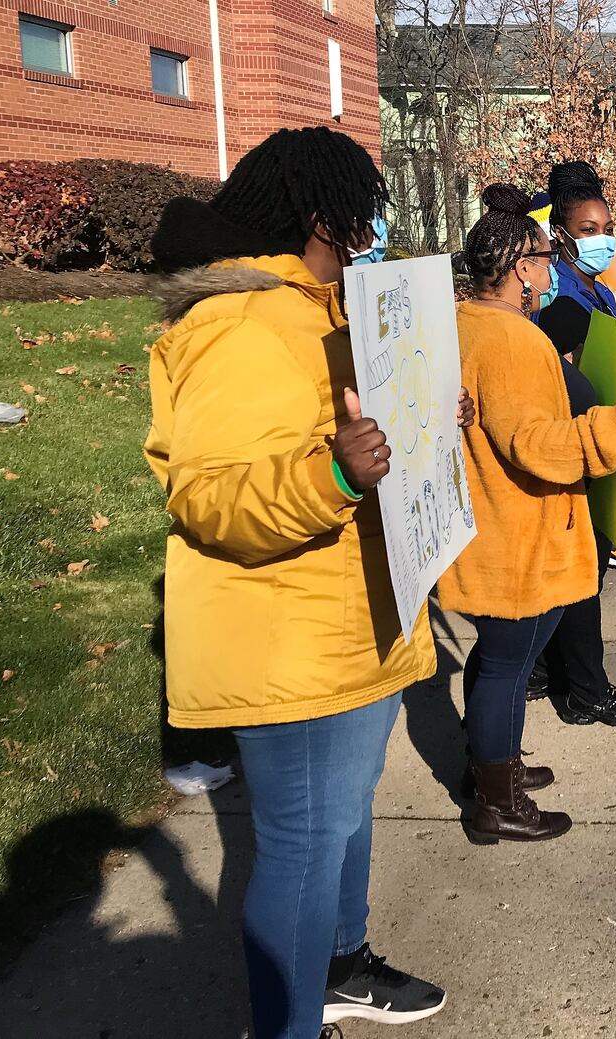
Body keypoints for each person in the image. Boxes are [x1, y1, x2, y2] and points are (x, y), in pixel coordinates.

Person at [146, 127, 463, 1039]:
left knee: (339, 826)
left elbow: (361, 425)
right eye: (360, 203)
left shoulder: (319, 307)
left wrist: (428, 419)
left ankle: (340, 964)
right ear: (319, 211)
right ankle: (288, 1019)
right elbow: (210, 496)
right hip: (292, 646)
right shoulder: (240, 321)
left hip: (353, 625)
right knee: (300, 847)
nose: (371, 223)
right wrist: (331, 479)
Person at [440, 183, 616, 842]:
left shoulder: (467, 321)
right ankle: (497, 801)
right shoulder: (512, 339)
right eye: (541, 256)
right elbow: (535, 445)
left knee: (500, 658)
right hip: (519, 532)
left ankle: (491, 767)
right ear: (519, 269)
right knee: (507, 665)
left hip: (502, 523)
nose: (550, 266)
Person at [530, 162, 616, 724]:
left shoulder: (595, 283)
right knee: (582, 567)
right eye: (588, 230)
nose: (602, 238)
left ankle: (547, 669)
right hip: (576, 438)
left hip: (606, 435)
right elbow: (556, 358)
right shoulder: (554, 289)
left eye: (606, 226)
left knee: (587, 563)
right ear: (561, 233)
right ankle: (584, 687)